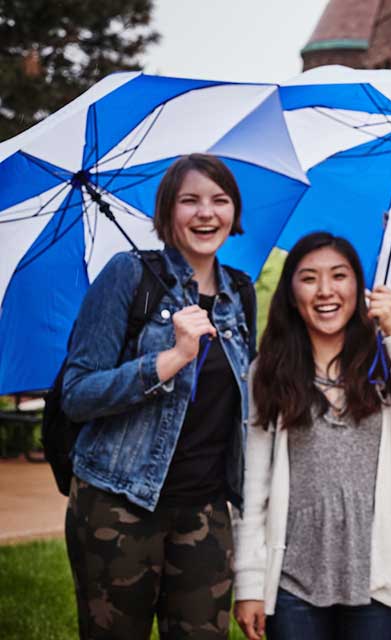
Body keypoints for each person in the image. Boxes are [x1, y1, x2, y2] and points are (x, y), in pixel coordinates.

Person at [61, 153, 256, 639]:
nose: (206, 213)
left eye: (220, 200)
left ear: (234, 212)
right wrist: (169, 359)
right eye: (189, 200)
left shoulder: (241, 292)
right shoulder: (128, 275)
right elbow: (77, 393)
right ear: (168, 211)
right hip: (118, 503)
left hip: (206, 508)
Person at [232, 232, 391, 640]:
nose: (325, 291)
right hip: (292, 580)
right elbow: (255, 489)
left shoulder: (385, 364)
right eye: (309, 278)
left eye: (339, 276)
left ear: (358, 286)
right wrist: (249, 584)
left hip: (377, 578)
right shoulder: (268, 373)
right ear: (290, 291)